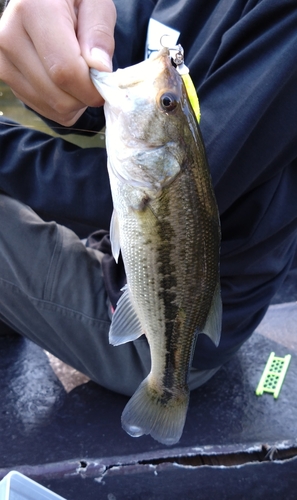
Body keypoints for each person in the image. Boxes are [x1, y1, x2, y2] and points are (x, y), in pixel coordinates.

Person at [0, 0, 296, 396]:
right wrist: (53, 56)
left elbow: (108, 193)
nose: (163, 70)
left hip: (173, 338)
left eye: (167, 103)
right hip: (130, 273)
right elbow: (105, 91)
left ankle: (166, 389)